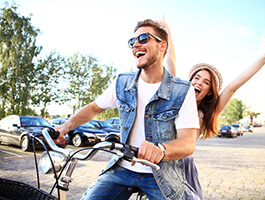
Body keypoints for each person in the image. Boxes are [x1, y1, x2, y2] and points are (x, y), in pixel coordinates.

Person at [54, 19, 200, 200]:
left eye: (144, 38)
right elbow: (93, 108)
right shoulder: (122, 83)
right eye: (132, 41)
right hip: (122, 168)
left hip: (161, 175)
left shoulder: (182, 90)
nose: (136, 44)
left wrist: (161, 149)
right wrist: (64, 127)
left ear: (162, 46)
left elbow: (188, 142)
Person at [160, 17, 265, 199]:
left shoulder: (205, 114)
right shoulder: (175, 98)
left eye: (206, 82)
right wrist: (167, 32)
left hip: (184, 170)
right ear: (189, 81)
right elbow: (170, 61)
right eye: (196, 77)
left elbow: (233, 86)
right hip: (160, 161)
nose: (199, 82)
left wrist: (263, 59)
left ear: (209, 92)